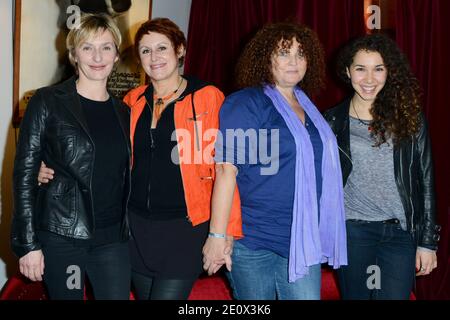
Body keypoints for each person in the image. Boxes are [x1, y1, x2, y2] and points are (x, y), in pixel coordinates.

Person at [39, 17, 243, 300]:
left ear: (180, 50)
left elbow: (226, 170)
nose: (154, 57)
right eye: (146, 51)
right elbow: (103, 155)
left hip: (184, 231)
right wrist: (49, 165)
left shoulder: (208, 98)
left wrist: (221, 234)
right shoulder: (131, 102)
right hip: (134, 232)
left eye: (162, 48)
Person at [202, 22, 347, 300]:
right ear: (265, 58)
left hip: (304, 239)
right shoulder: (246, 103)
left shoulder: (310, 108)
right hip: (256, 241)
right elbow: (225, 170)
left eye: (301, 54)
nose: (294, 61)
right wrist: (217, 236)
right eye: (283, 53)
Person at [11, 13, 132, 300]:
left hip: (113, 240)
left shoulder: (125, 112)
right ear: (73, 55)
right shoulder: (48, 101)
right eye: (87, 47)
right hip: (66, 240)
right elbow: (24, 175)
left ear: (116, 55)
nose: (97, 56)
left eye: (106, 47)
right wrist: (28, 244)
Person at [323, 33, 440, 299]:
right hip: (353, 232)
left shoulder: (410, 118)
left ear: (389, 72)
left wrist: (428, 242)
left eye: (379, 69)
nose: (369, 79)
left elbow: (426, 180)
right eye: (360, 69)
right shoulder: (331, 122)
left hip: (400, 234)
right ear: (347, 71)